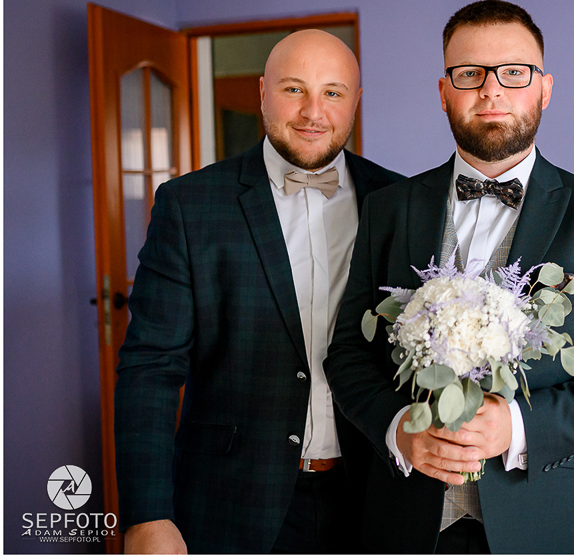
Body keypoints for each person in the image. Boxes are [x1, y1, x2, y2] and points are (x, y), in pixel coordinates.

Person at [325, 0, 574, 553]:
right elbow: (347, 353)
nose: (491, 90)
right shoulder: (389, 209)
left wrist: (519, 427)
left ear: (544, 89)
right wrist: (398, 428)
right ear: (444, 91)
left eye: (514, 73)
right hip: (408, 522)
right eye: (469, 74)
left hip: (553, 522)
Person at [114, 30, 403, 553]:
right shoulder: (189, 205)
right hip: (229, 498)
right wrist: (146, 514)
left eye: (333, 92)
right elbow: (150, 367)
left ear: (355, 101)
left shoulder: (399, 201)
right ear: (263, 92)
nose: (313, 112)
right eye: (294, 89)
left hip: (372, 494)